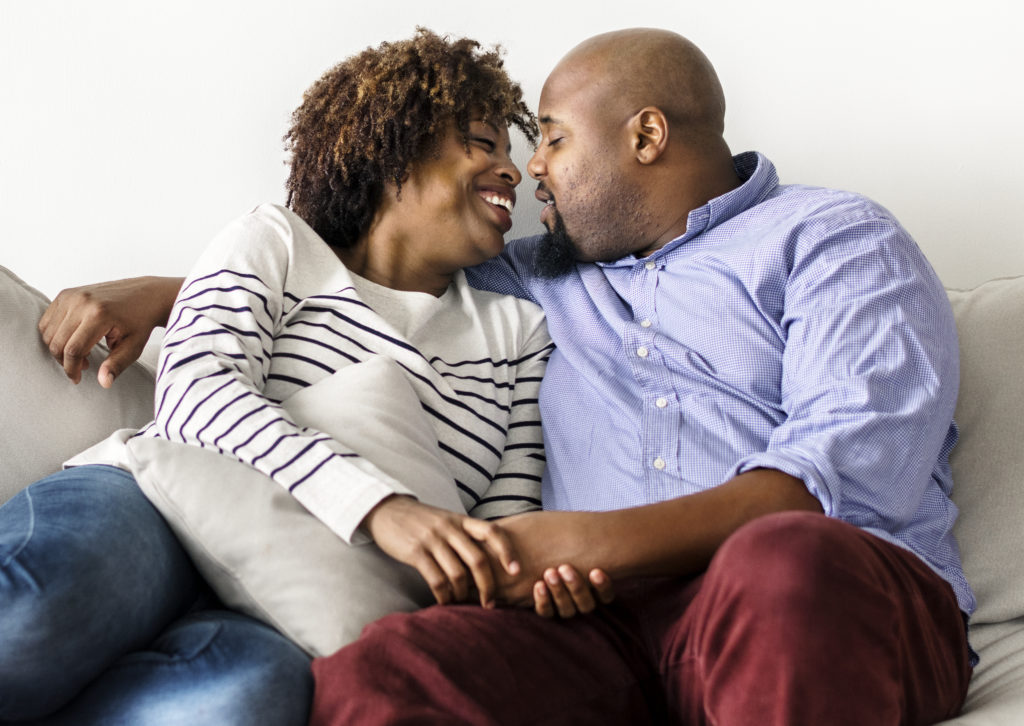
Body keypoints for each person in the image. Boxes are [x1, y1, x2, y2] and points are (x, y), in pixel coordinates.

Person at [33, 27, 975, 725]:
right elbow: (366, 272)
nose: (533, 173)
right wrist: (167, 291)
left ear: (646, 135)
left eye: (554, 139)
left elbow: (829, 478)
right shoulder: (531, 279)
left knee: (781, 564)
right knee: (393, 663)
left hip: (820, 602)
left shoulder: (834, 239)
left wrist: (587, 536)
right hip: (603, 625)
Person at [2, 29, 591, 725]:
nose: (513, 173)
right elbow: (196, 395)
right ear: (393, 144)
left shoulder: (518, 333)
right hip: (151, 505)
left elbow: (505, 520)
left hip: (298, 596)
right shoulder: (278, 242)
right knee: (29, 617)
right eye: (482, 143)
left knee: (243, 704)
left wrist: (535, 582)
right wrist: (381, 508)